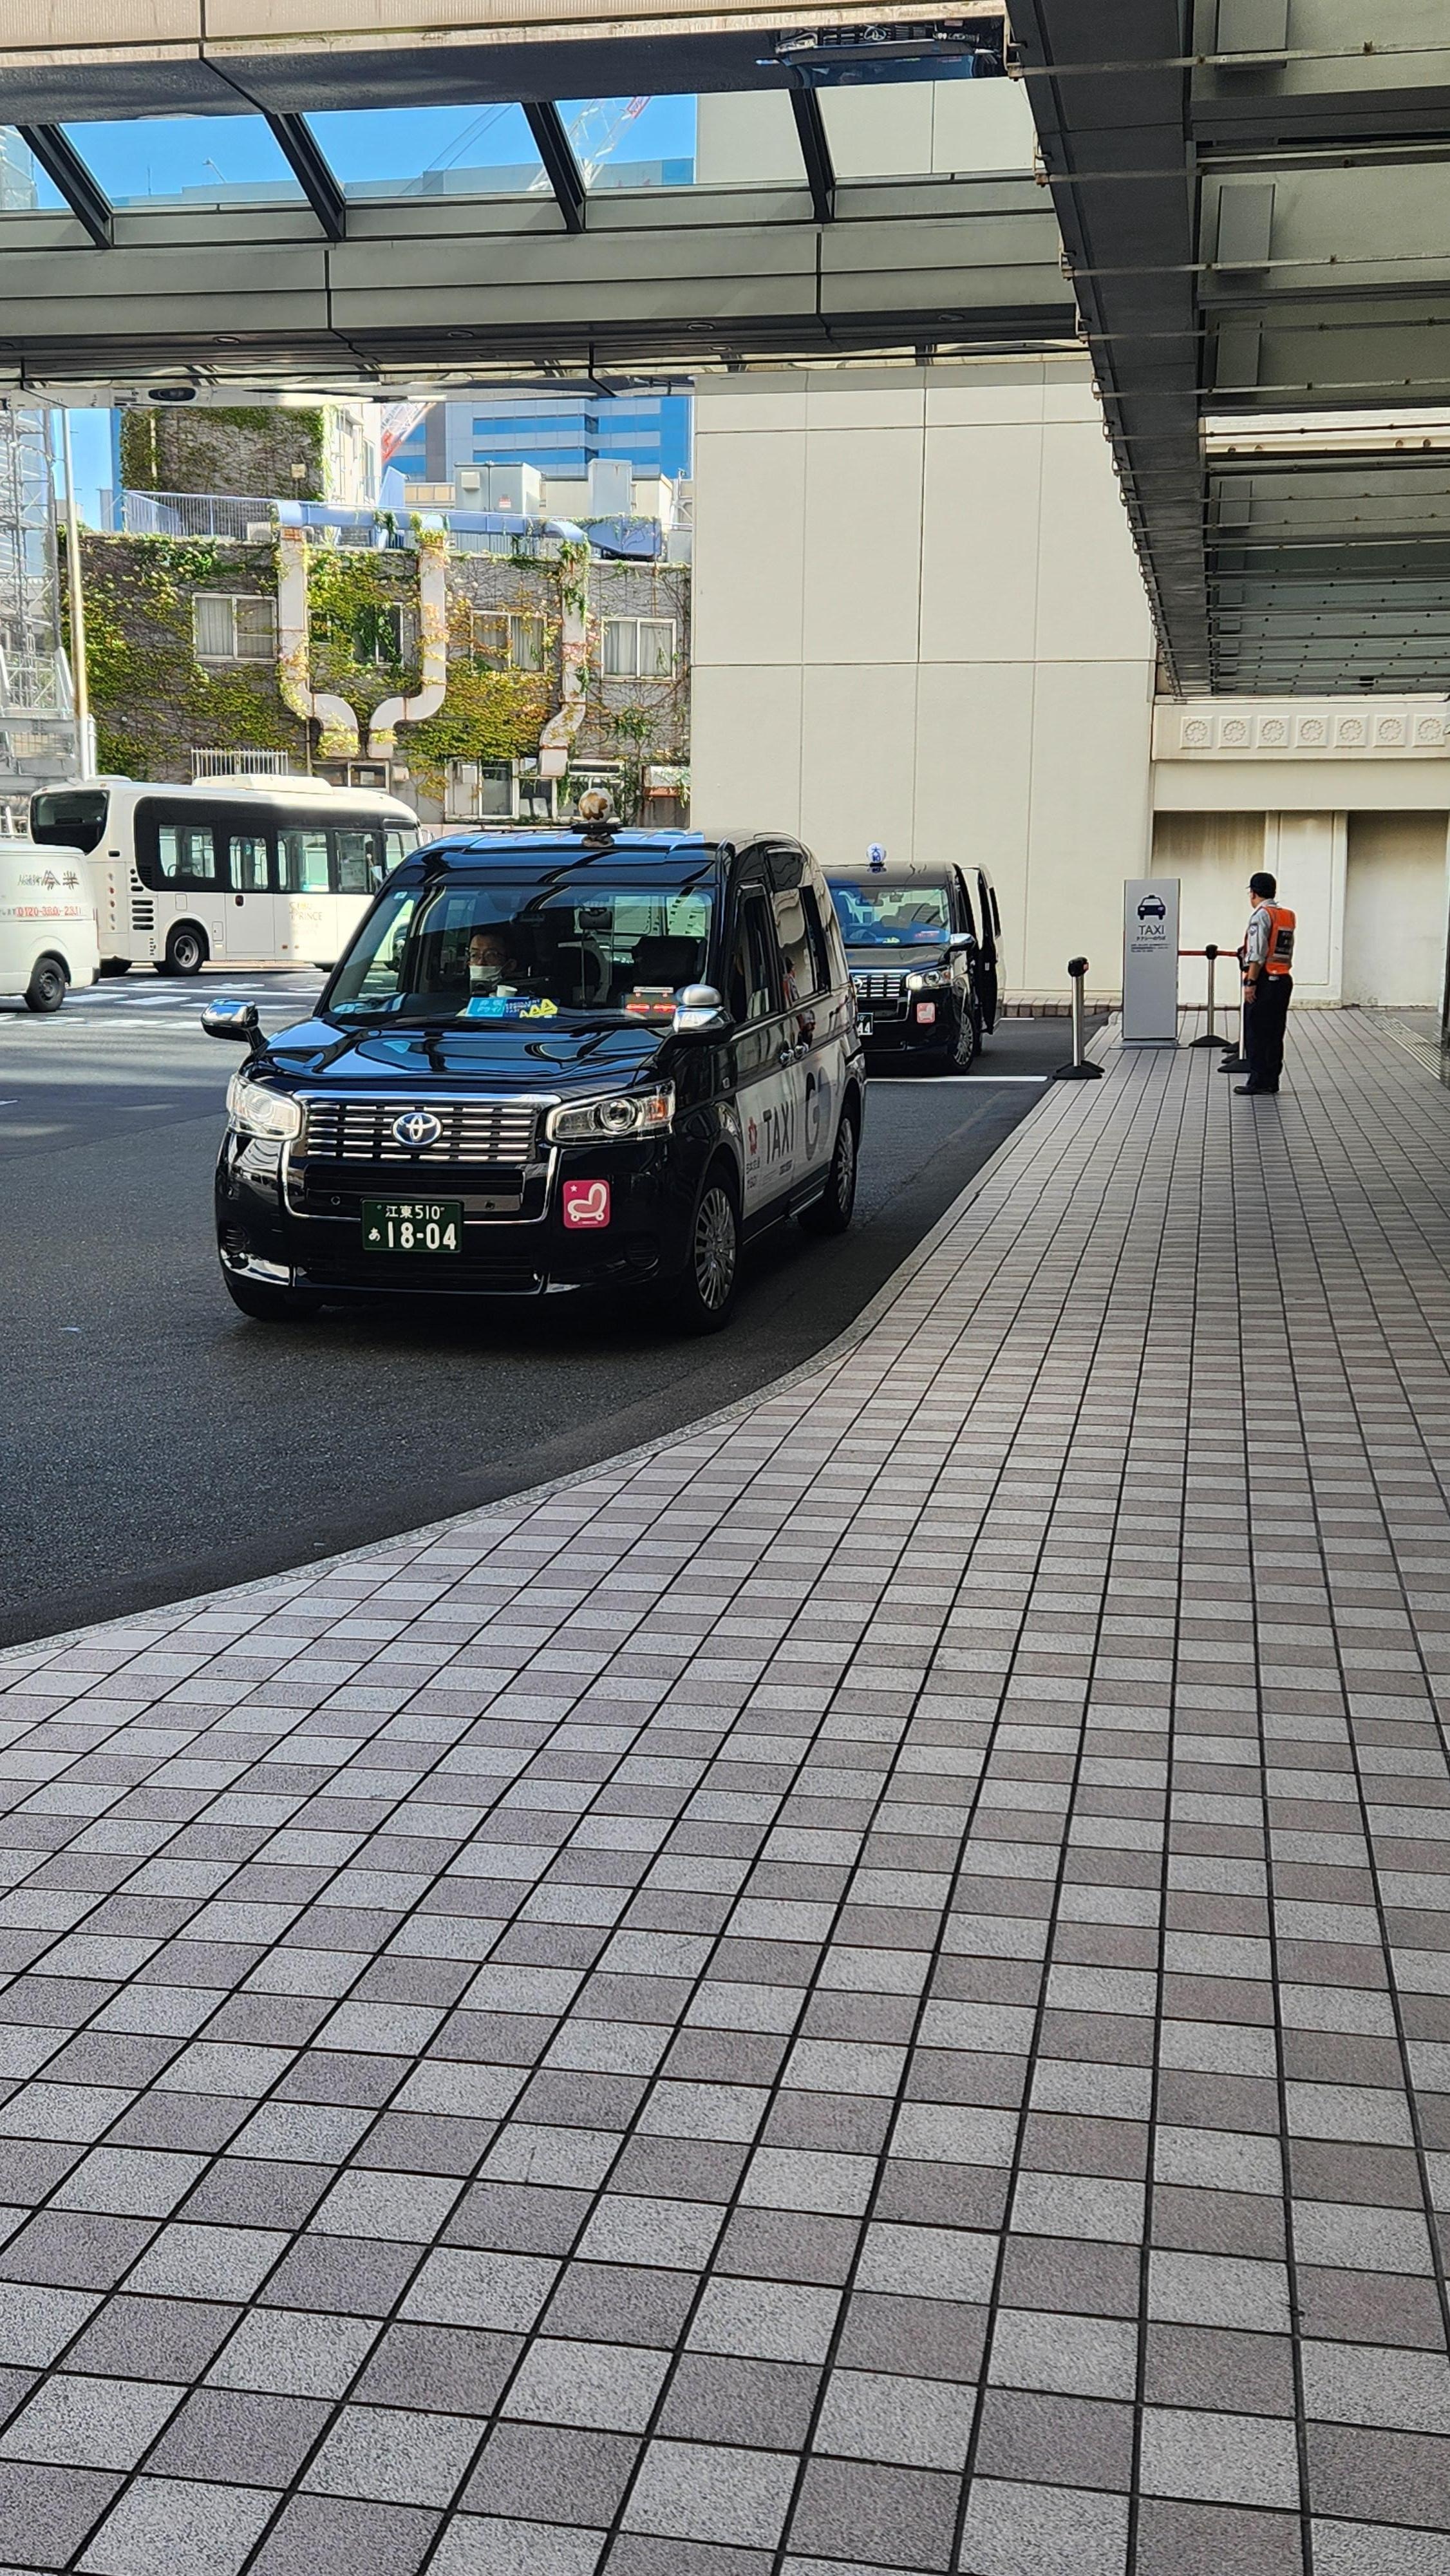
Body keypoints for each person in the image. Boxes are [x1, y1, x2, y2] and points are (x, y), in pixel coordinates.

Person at [1235, 869, 1295, 1096]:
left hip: (1264, 980)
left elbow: (1257, 954)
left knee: (1257, 1032)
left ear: (1253, 893)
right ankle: (1272, 1080)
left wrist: (1250, 982)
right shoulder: (1287, 915)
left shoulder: (1261, 916)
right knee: (1274, 1032)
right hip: (1283, 978)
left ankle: (1258, 1081)